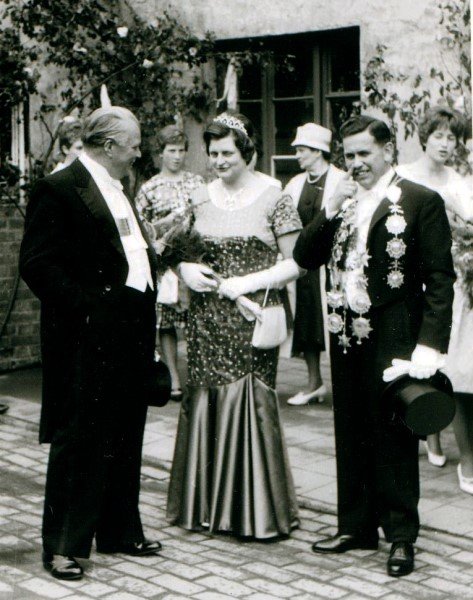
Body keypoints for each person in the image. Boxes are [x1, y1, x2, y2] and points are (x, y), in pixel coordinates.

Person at [293, 115, 455, 577]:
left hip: (396, 333)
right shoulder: (344, 200)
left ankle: (401, 535)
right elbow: (305, 256)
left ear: (388, 150)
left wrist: (430, 345)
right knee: (350, 425)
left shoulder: (420, 200)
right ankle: (356, 526)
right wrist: (329, 208)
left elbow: (440, 279)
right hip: (346, 331)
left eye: (365, 153)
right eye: (349, 155)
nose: (356, 163)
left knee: (393, 433)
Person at [19, 106, 162, 581]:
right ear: (109, 146)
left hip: (131, 331)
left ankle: (119, 530)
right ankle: (63, 546)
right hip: (87, 337)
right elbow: (37, 264)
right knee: (79, 438)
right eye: (134, 145)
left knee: (124, 432)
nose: (139, 153)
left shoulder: (120, 187)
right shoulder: (60, 188)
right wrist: (88, 308)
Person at [166, 112, 302, 539]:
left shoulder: (275, 196)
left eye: (227, 153)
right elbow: (169, 248)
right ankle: (206, 507)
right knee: (204, 398)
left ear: (247, 152)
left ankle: (252, 513)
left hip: (251, 319)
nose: (219, 161)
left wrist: (247, 282)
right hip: (205, 321)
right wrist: (185, 269)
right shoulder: (199, 197)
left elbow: (297, 263)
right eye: (213, 153)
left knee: (250, 399)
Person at [397, 106, 473, 491]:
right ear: (425, 137)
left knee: (447, 354)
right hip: (410, 274)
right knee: (417, 353)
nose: (446, 144)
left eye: (453, 138)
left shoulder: (457, 182)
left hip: (446, 276)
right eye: (439, 136)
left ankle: (442, 435)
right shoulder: (403, 176)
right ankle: (431, 434)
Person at [135, 125, 204, 401]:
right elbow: (142, 228)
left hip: (194, 258)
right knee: (166, 322)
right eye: (171, 151)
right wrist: (166, 224)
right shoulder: (149, 188)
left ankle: (198, 374)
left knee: (195, 319)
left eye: (181, 150)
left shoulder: (197, 183)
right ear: (161, 153)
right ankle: (174, 378)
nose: (177, 156)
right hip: (165, 261)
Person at [284, 123, 345, 405]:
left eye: (302, 150)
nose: (297, 155)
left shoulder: (341, 180)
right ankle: (314, 383)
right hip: (305, 266)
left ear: (318, 151)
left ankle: (344, 385)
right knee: (308, 324)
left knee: (336, 323)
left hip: (333, 265)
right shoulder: (295, 184)